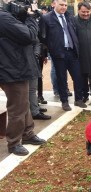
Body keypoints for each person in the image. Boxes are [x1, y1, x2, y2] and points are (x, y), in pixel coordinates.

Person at [0, 0, 46, 156]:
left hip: (17, 67)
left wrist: (20, 15)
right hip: (12, 70)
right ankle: (14, 142)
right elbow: (29, 35)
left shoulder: (6, 16)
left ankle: (27, 134)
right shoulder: (3, 18)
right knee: (17, 108)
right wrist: (31, 18)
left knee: (23, 104)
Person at [39, 0, 87, 111]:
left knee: (77, 77)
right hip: (58, 54)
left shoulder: (69, 16)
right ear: (54, 4)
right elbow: (42, 37)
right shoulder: (46, 18)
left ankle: (78, 99)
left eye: (65, 5)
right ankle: (64, 101)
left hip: (72, 51)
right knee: (61, 78)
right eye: (61, 5)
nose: (64, 7)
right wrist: (51, 48)